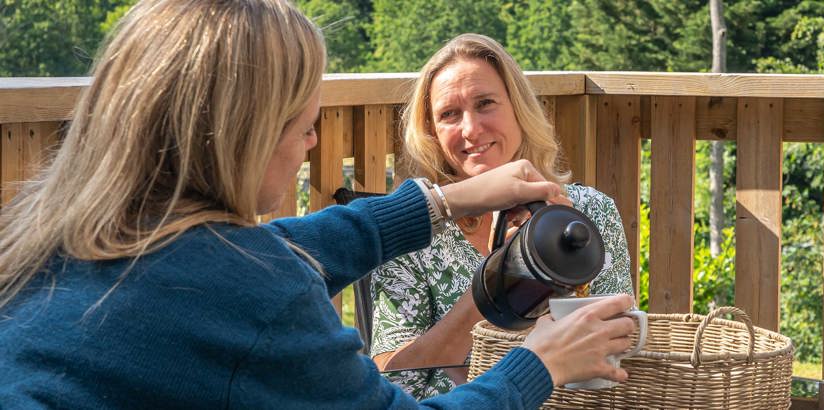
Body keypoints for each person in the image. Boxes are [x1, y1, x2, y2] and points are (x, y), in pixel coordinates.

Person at [0, 2, 640, 409]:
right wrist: (541, 365)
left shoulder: (55, 241)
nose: (311, 142)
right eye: (301, 124)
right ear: (238, 138)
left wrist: (442, 201)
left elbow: (286, 247)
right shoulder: (254, 296)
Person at [370, 33, 635, 399]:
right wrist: (496, 286)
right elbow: (392, 385)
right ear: (432, 133)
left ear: (517, 108)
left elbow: (620, 347)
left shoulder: (589, 215)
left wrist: (562, 272)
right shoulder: (413, 233)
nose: (470, 129)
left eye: (485, 104)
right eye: (449, 114)